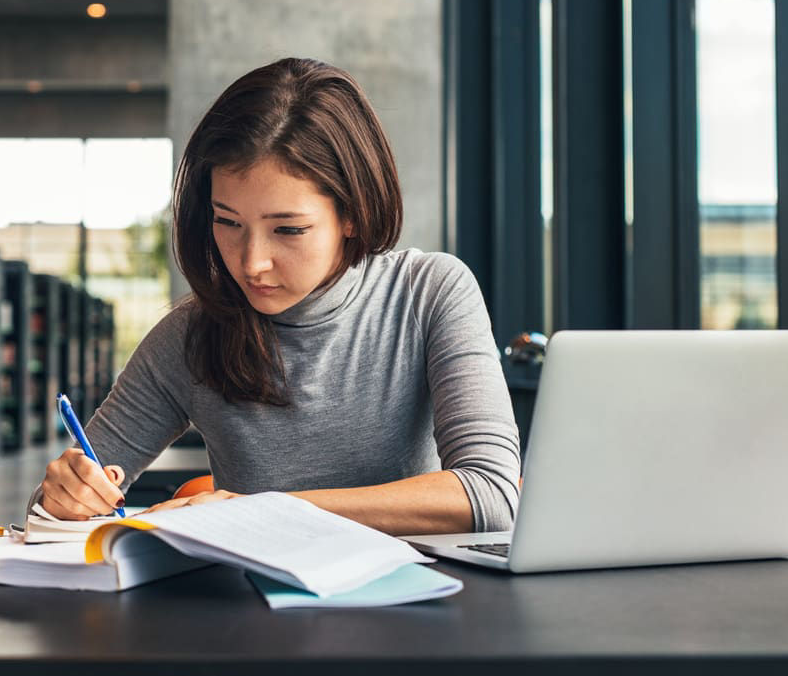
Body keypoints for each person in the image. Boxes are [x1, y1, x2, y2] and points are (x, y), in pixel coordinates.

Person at [36, 58, 520, 536]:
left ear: (352, 213)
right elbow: (49, 513)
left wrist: (261, 510)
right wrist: (62, 498)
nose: (251, 263)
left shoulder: (428, 293)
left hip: (418, 603)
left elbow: (491, 495)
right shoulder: (189, 335)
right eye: (228, 222)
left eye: (288, 229)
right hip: (253, 610)